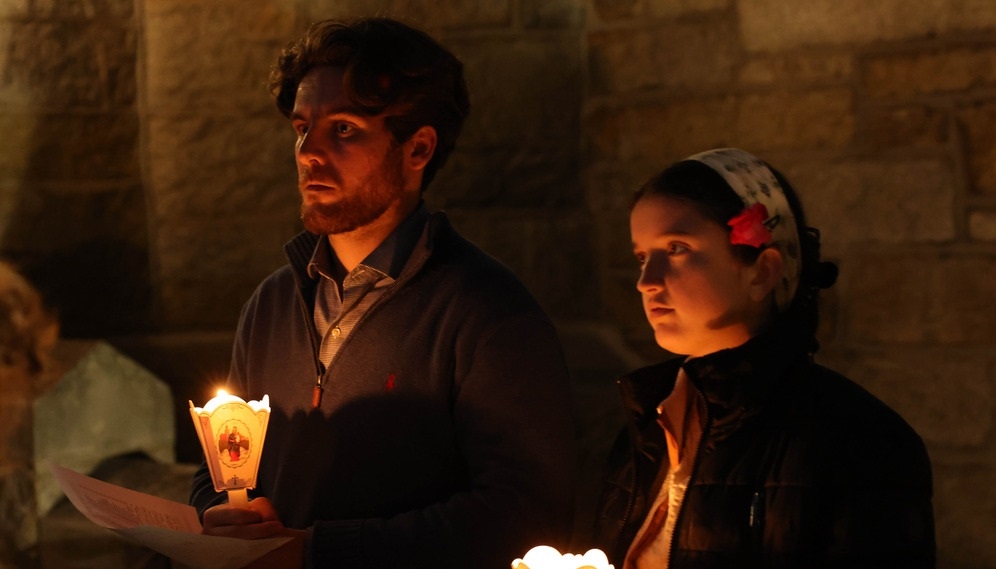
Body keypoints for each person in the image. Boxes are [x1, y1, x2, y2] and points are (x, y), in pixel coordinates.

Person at [189, 17, 575, 569]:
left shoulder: (488, 314)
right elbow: (221, 467)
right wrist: (216, 513)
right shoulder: (271, 306)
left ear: (417, 150)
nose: (307, 152)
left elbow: (525, 514)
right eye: (301, 127)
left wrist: (316, 553)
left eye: (343, 129)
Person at [592, 148, 935, 567]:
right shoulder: (647, 423)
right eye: (642, 257)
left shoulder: (857, 440)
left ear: (762, 271)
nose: (647, 281)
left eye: (677, 248)